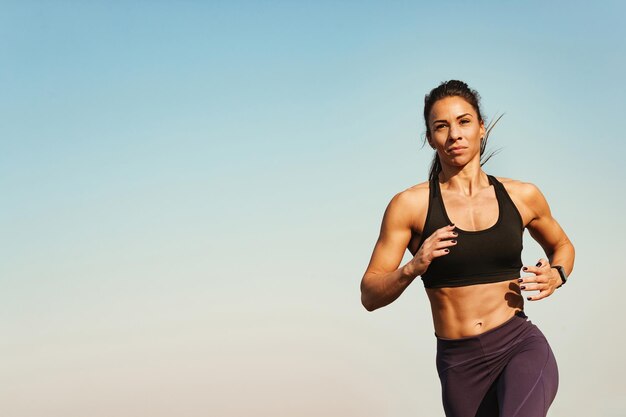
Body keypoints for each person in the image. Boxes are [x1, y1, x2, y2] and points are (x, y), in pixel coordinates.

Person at [360, 80, 575, 417]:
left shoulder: (522, 196)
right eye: (441, 126)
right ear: (430, 138)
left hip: (519, 347)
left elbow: (562, 245)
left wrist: (557, 274)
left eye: (464, 122)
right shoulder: (410, 206)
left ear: (481, 128)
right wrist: (412, 267)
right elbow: (369, 295)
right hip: (458, 365)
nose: (454, 134)